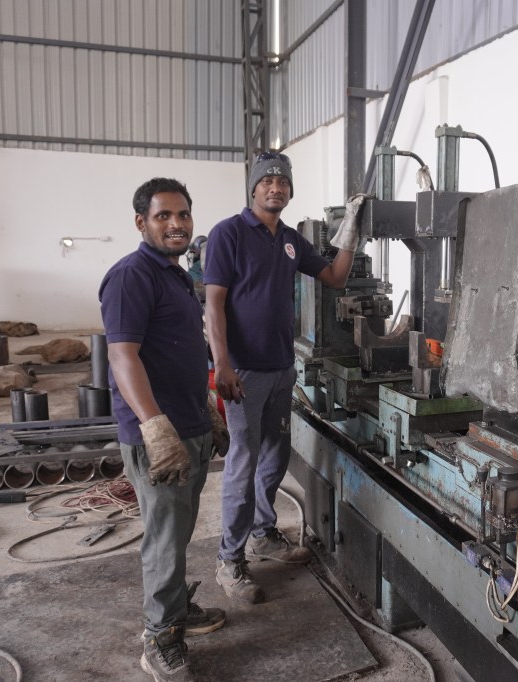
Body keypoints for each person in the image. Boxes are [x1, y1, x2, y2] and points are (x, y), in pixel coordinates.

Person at [204, 152, 367, 603]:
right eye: (267, 181)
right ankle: (229, 560)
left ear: (290, 191)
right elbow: (214, 304)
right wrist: (222, 363)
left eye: (282, 182)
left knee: (275, 456)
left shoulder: (291, 240)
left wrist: (351, 227)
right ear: (253, 188)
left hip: (280, 368)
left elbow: (335, 277)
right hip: (243, 372)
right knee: (243, 463)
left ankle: (263, 533)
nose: (275, 188)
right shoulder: (228, 234)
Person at [100, 177, 230, 682]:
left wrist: (205, 409)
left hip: (188, 426)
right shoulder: (130, 276)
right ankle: (159, 637)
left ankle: (175, 610)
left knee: (178, 533)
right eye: (163, 216)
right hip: (160, 438)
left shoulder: (175, 275)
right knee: (163, 540)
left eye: (183, 215)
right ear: (141, 222)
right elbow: (122, 357)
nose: (176, 224)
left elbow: (179, 352)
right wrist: (155, 427)